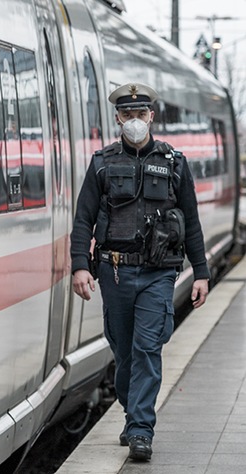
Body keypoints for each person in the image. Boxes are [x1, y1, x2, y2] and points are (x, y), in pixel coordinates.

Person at [70, 83, 210, 462]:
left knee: (148, 349)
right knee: (126, 353)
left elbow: (192, 222)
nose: (134, 121)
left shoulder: (173, 163)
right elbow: (83, 219)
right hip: (114, 273)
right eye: (127, 115)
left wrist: (201, 272)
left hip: (158, 274)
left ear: (152, 116)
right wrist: (80, 265)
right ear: (118, 118)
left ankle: (141, 430)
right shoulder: (101, 163)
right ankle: (134, 416)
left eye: (141, 114)